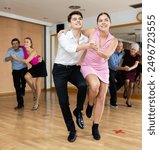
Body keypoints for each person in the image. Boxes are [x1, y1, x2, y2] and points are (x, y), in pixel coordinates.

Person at [52, 11, 97, 142]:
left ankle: (78, 110)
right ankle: (71, 130)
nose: (78, 21)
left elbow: (86, 49)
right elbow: (70, 48)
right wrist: (88, 46)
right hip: (59, 70)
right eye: (74, 19)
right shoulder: (63, 35)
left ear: (82, 22)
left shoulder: (85, 38)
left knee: (83, 85)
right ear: (70, 22)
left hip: (73, 68)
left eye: (80, 19)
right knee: (63, 102)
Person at [80, 12, 118, 140]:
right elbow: (78, 31)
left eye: (106, 20)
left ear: (110, 23)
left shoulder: (114, 40)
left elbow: (107, 55)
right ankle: (90, 103)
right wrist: (65, 31)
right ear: (97, 24)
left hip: (103, 68)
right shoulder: (91, 31)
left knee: (101, 97)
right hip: (88, 65)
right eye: (100, 20)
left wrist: (96, 49)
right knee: (94, 85)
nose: (103, 22)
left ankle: (95, 126)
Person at [11, 37, 47, 111]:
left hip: (40, 66)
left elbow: (27, 61)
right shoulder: (23, 48)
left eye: (27, 42)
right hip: (34, 66)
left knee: (38, 84)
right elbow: (15, 45)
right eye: (25, 42)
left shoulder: (33, 51)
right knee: (26, 76)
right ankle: (33, 90)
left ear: (31, 44)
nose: (25, 43)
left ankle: (36, 103)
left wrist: (16, 58)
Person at [4, 38, 27, 110]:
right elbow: (5, 59)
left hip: (23, 68)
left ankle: (23, 88)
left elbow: (26, 47)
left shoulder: (22, 49)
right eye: (13, 44)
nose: (15, 45)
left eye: (16, 43)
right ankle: (20, 104)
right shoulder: (10, 51)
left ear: (19, 44)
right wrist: (11, 57)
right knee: (17, 87)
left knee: (23, 80)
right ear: (12, 45)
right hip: (15, 71)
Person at [108, 41, 129, 108]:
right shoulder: (111, 53)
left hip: (117, 70)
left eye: (121, 46)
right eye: (118, 46)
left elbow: (131, 53)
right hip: (110, 70)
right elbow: (113, 66)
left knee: (121, 82)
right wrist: (123, 68)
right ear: (115, 46)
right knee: (113, 85)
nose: (119, 48)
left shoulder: (122, 53)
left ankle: (111, 90)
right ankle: (113, 103)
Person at [122, 43, 140, 107]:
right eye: (132, 49)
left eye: (134, 50)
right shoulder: (126, 52)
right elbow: (120, 48)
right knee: (127, 81)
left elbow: (136, 65)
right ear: (130, 48)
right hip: (125, 69)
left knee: (131, 86)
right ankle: (125, 91)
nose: (133, 51)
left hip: (132, 71)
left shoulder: (137, 56)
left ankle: (128, 101)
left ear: (137, 50)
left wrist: (130, 68)